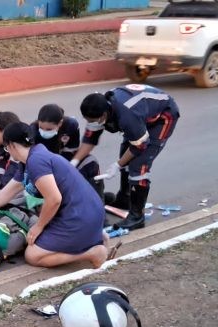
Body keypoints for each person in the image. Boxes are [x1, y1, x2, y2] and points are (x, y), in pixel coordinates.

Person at [0, 122, 111, 269]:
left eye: (6, 148)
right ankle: (91, 237)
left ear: (11, 145)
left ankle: (93, 252)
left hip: (79, 217)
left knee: (33, 255)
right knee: (38, 228)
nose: (7, 152)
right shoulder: (29, 161)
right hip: (87, 212)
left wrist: (39, 227)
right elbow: (3, 195)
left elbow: (54, 199)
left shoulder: (36, 161)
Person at [76, 84, 180, 230]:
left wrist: (117, 165)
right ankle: (125, 198)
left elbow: (139, 146)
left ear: (104, 115)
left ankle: (137, 217)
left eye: (94, 121)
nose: (92, 124)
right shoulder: (97, 107)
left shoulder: (127, 115)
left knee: (139, 164)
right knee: (125, 152)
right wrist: (74, 162)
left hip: (163, 116)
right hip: (141, 113)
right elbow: (90, 139)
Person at [30, 103, 104, 200]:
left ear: (60, 123)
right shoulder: (32, 131)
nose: (44, 132)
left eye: (49, 129)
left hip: (63, 158)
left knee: (90, 161)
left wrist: (69, 166)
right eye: (41, 128)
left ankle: (96, 198)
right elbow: (31, 159)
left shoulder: (71, 125)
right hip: (44, 165)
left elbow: (71, 151)